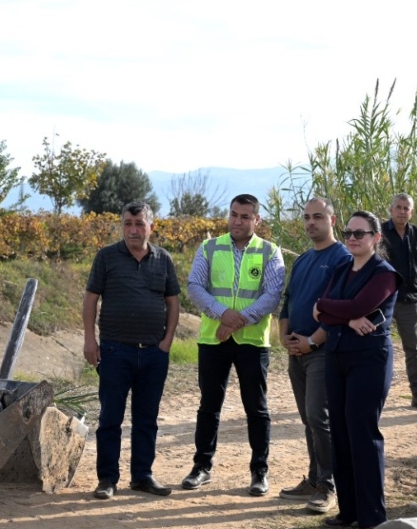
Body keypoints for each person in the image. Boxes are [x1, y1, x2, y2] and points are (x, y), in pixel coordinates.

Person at [182, 194, 285, 497]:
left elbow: (272, 293)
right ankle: (201, 467)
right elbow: (194, 286)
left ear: (257, 220)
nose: (237, 221)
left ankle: (259, 471)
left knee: (257, 409)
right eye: (234, 215)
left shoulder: (270, 252)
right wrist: (222, 314)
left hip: (252, 342)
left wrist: (238, 320)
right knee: (209, 406)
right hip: (214, 340)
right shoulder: (210, 248)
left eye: (245, 216)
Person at [83, 201, 181, 500]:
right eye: (128, 223)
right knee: (110, 417)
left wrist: (166, 342)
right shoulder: (106, 257)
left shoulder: (163, 260)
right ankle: (107, 479)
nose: (133, 230)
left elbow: (173, 302)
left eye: (139, 224)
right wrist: (90, 340)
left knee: (146, 418)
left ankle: (142, 476)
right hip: (115, 352)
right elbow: (90, 300)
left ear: (151, 226)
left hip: (153, 354)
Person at [312, 210, 401, 528]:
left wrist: (329, 308)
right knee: (340, 433)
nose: (351, 238)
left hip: (369, 359)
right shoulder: (340, 268)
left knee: (363, 435)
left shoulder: (385, 273)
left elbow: (354, 306)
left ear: (376, 238)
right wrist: (345, 317)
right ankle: (348, 512)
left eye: (359, 233)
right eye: (348, 232)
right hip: (337, 356)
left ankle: (372, 517)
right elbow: (320, 310)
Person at [277, 198, 348, 513]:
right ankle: (314, 477)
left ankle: (328, 486)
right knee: (308, 419)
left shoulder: (342, 258)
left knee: (320, 418)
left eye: (318, 217)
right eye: (306, 217)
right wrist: (284, 335)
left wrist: (313, 343)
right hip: (296, 352)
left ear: (332, 220)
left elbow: (339, 311)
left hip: (322, 352)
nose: (311, 223)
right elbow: (288, 301)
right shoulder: (304, 259)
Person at [380, 192, 417, 410]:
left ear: (411, 212)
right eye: (399, 207)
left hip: (410, 299)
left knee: (413, 349)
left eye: (406, 208)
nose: (402, 212)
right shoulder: (380, 232)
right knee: (378, 347)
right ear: (391, 210)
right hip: (383, 299)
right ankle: (372, 394)